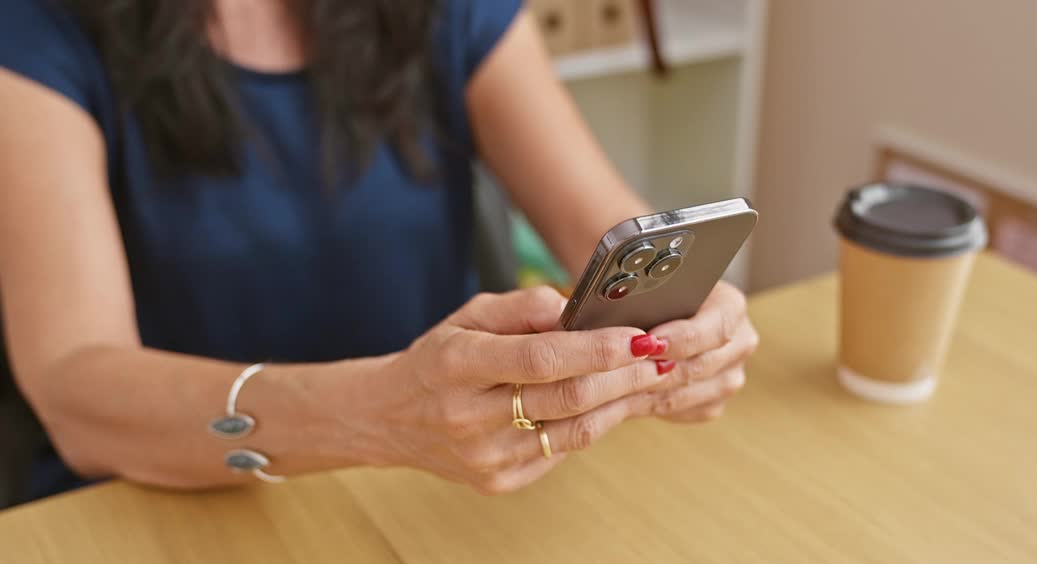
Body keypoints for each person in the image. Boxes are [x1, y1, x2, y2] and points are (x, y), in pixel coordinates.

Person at [0, 0, 758, 500]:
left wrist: (688, 324)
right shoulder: (36, 29)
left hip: (428, 499)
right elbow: (75, 391)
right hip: (158, 509)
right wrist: (372, 416)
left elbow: (608, 232)